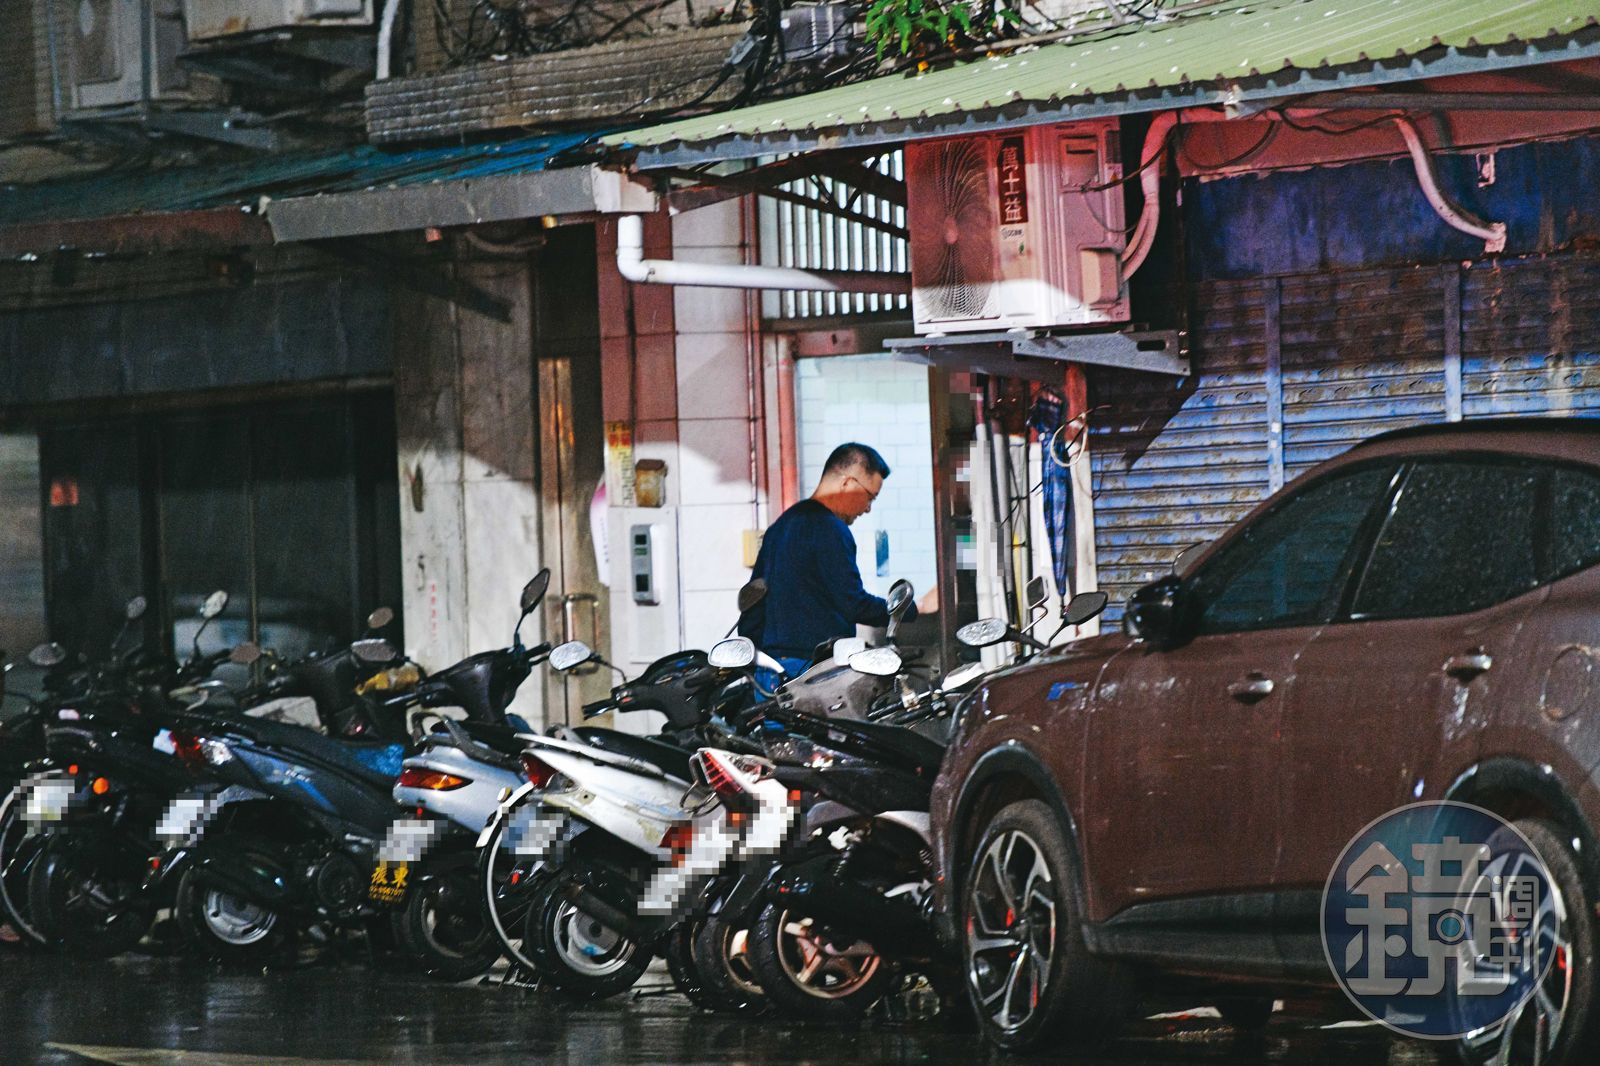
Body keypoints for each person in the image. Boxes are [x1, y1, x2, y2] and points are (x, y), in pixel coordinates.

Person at [739, 442, 937, 686]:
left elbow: (754, 601)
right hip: (811, 671)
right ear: (848, 483)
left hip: (769, 671)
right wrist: (916, 608)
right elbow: (853, 603)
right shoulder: (830, 529)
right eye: (869, 497)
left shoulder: (780, 526)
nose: (867, 509)